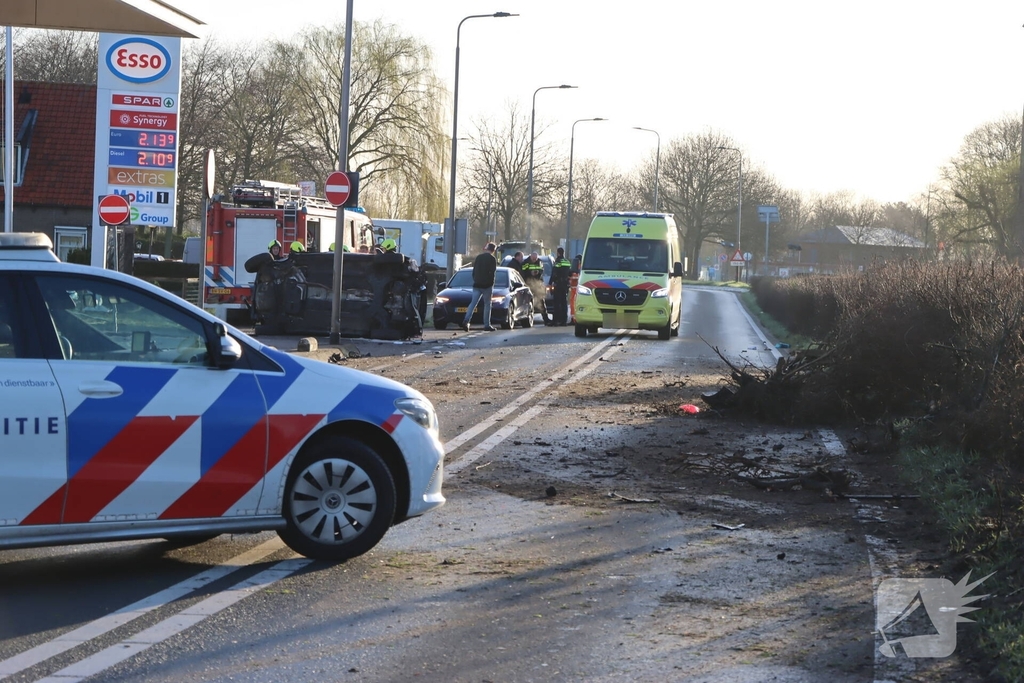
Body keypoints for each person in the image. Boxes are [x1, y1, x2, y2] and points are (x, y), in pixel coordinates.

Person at [462, 242, 498, 332]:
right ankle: (486, 325)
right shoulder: (492, 259)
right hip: (487, 286)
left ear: (486, 248)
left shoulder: (479, 257)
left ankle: (466, 321)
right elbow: (492, 273)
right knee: (487, 305)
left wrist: (475, 280)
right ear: (493, 250)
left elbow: (474, 271)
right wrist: (491, 283)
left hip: (477, 284)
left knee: (473, 303)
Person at [522, 251, 550, 325]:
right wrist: (530, 273)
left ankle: (546, 319)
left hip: (538, 284)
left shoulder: (539, 261)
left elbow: (541, 270)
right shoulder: (526, 262)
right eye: (533, 259)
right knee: (527, 302)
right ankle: (526, 319)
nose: (534, 260)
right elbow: (523, 272)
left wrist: (538, 273)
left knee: (541, 302)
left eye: (535, 259)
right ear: (530, 257)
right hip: (528, 284)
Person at [550, 247, 572, 326]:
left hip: (558, 284)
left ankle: (555, 320)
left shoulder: (557, 261)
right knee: (564, 303)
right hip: (565, 285)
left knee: (556, 303)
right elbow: (570, 273)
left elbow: (554, 273)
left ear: (558, 253)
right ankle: (564, 320)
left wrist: (550, 282)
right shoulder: (567, 262)